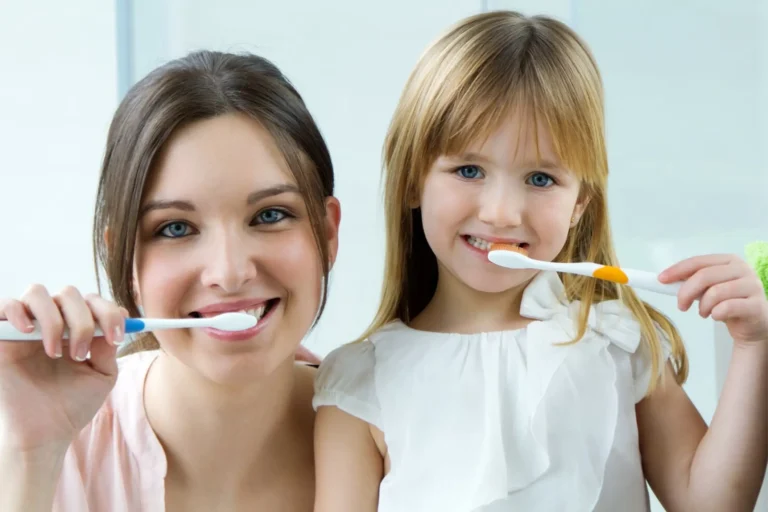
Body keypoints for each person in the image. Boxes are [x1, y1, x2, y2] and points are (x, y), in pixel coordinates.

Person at [312, 11, 768, 512]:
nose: (501, 213)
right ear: (412, 179)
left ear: (580, 205)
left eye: (540, 179)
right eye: (468, 169)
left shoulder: (616, 341)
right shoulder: (360, 383)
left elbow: (714, 504)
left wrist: (754, 344)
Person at [0, 50, 340, 512]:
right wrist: (30, 457)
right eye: (175, 228)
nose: (229, 272)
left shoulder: (395, 435)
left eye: (270, 215)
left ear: (327, 232)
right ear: (124, 259)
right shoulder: (53, 451)